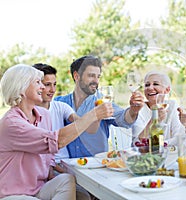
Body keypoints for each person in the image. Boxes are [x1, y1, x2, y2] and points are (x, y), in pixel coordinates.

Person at [0, 64, 113, 199]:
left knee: (66, 180)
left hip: (37, 187)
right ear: (22, 87)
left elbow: (48, 152)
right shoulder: (12, 123)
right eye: (38, 82)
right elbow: (56, 141)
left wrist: (51, 166)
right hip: (14, 194)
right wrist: (93, 115)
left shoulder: (43, 114)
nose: (42, 87)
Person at [55, 55, 144, 157]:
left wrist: (133, 111)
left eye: (98, 77)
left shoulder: (102, 102)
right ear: (76, 76)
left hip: (96, 165)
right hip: (68, 167)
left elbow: (123, 119)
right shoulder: (59, 103)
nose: (96, 81)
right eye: (91, 76)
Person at [33, 63, 96, 200]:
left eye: (54, 84)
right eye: (47, 84)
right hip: (47, 168)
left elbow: (79, 123)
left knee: (97, 189)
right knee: (84, 196)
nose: (52, 90)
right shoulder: (29, 113)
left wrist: (95, 115)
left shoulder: (60, 107)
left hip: (68, 165)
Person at [132, 70, 185, 146]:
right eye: (147, 85)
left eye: (155, 84)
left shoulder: (172, 106)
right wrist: (154, 120)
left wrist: (163, 144)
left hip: (169, 154)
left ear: (167, 90)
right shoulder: (138, 109)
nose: (150, 88)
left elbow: (179, 137)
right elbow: (136, 143)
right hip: (144, 156)